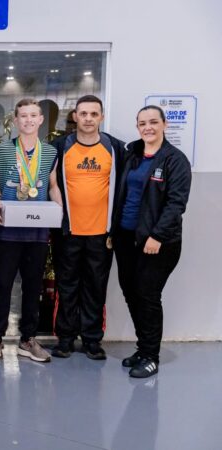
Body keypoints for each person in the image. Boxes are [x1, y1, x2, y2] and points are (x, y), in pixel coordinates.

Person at [0, 98, 62, 364]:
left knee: (33, 287)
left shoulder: (49, 152)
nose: (28, 120)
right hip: (7, 231)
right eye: (23, 116)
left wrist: (59, 207)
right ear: (15, 121)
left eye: (33, 116)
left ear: (41, 120)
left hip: (37, 232)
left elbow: (51, 185)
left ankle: (28, 338)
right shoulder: (3, 150)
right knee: (2, 285)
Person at [112, 105, 191, 378]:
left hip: (158, 242)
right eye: (142, 123)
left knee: (147, 295)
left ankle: (151, 356)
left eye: (153, 122)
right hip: (126, 238)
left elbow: (176, 204)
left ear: (164, 125)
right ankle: (143, 348)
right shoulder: (133, 155)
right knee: (131, 292)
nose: (148, 127)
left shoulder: (175, 160)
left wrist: (156, 236)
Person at [51, 95, 126, 359]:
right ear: (75, 116)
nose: (88, 119)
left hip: (101, 234)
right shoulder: (60, 146)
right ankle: (66, 338)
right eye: (83, 114)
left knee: (96, 287)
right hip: (67, 232)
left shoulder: (115, 148)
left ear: (101, 117)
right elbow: (50, 185)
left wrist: (115, 228)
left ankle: (92, 339)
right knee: (66, 285)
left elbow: (124, 190)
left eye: (94, 114)